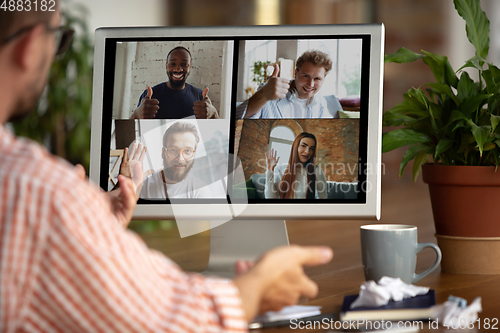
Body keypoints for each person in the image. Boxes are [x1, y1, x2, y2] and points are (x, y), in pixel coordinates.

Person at [0, 7, 333, 332]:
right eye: (58, 38)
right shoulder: (35, 191)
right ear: (31, 46)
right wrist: (257, 287)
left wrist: (97, 230)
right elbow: (177, 321)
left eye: (189, 150)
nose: (180, 157)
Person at [121, 122, 215, 199]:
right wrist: (123, 185)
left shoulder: (200, 191)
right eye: (173, 150)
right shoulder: (143, 184)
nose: (180, 159)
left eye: (187, 151)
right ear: (163, 153)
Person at [237, 50, 341, 119]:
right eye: (305, 76)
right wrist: (263, 94)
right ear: (296, 73)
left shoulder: (320, 102)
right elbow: (238, 120)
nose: (310, 84)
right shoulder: (269, 91)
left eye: (317, 79)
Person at [131, 46, 219, 120]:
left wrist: (213, 114)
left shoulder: (200, 95)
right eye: (172, 64)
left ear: (190, 66)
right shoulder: (149, 96)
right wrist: (136, 114)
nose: (178, 69)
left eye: (184, 64)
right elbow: (132, 129)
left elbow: (219, 134)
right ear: (166, 66)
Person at [265, 132, 328, 199]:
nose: (307, 152)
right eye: (303, 146)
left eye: (311, 148)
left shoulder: (316, 170)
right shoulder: (281, 170)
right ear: (296, 147)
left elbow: (323, 197)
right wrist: (270, 170)